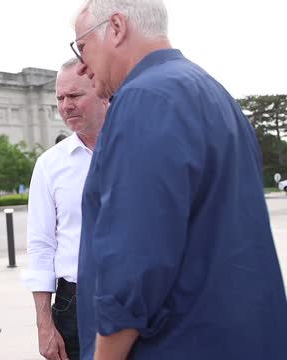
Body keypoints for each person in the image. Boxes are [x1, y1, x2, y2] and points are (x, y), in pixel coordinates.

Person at [71, 1, 287, 359]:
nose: (82, 65)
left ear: (118, 28)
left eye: (82, 47)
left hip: (177, 343)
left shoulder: (143, 99)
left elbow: (134, 264)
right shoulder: (216, 95)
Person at [24, 58, 108, 360]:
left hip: (140, 297)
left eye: (74, 96)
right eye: (60, 98)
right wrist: (44, 325)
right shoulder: (50, 165)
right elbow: (41, 246)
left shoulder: (137, 150)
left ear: (101, 91)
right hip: (74, 304)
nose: (65, 106)